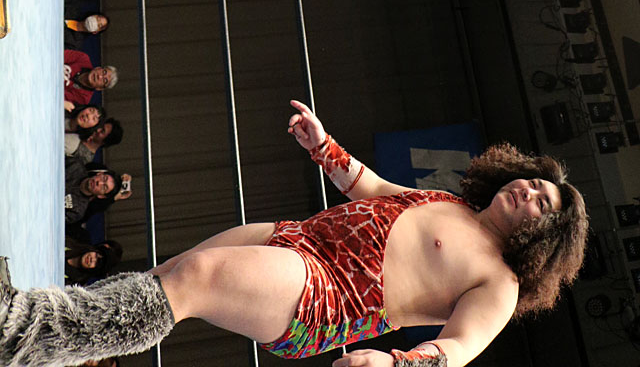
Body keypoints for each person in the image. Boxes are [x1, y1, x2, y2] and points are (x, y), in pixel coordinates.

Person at [0, 99, 588, 367]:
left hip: (331, 298)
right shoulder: (451, 202)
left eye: (542, 205)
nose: (529, 193)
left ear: (544, 240)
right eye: (534, 183)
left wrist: (396, 365)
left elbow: (458, 350)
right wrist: (323, 146)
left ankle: (19, 330)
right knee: (165, 276)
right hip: (299, 240)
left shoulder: (501, 283)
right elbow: (373, 190)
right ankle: (33, 335)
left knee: (195, 279)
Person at [64, 162, 122, 228]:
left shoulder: (78, 211)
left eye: (104, 187)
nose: (99, 183)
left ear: (101, 196)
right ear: (99, 173)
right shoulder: (75, 165)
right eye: (103, 178)